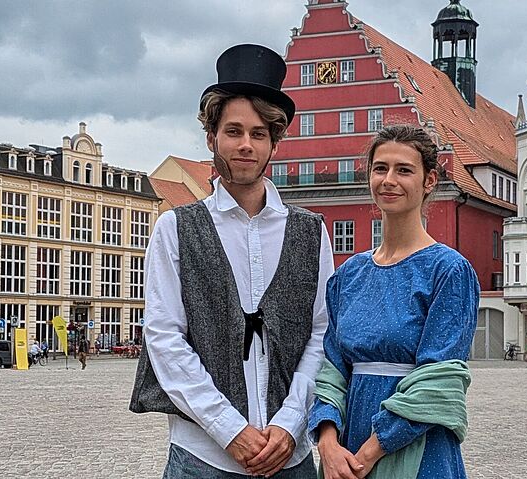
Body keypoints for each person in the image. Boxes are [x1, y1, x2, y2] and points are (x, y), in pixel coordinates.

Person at [129, 43, 332, 478]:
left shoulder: (311, 232)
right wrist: (229, 429)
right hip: (203, 455)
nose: (246, 145)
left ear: (274, 143)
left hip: (289, 457)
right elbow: (164, 337)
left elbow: (321, 333)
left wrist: (290, 423)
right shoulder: (175, 228)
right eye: (234, 131)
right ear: (211, 137)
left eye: (259, 134)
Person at [309, 125, 478, 479]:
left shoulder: (448, 271)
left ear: (429, 181)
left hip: (419, 450)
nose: (389, 179)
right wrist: (327, 444)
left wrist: (368, 454)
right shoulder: (348, 274)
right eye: (380, 168)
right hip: (346, 447)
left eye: (404, 170)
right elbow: (333, 369)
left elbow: (437, 381)